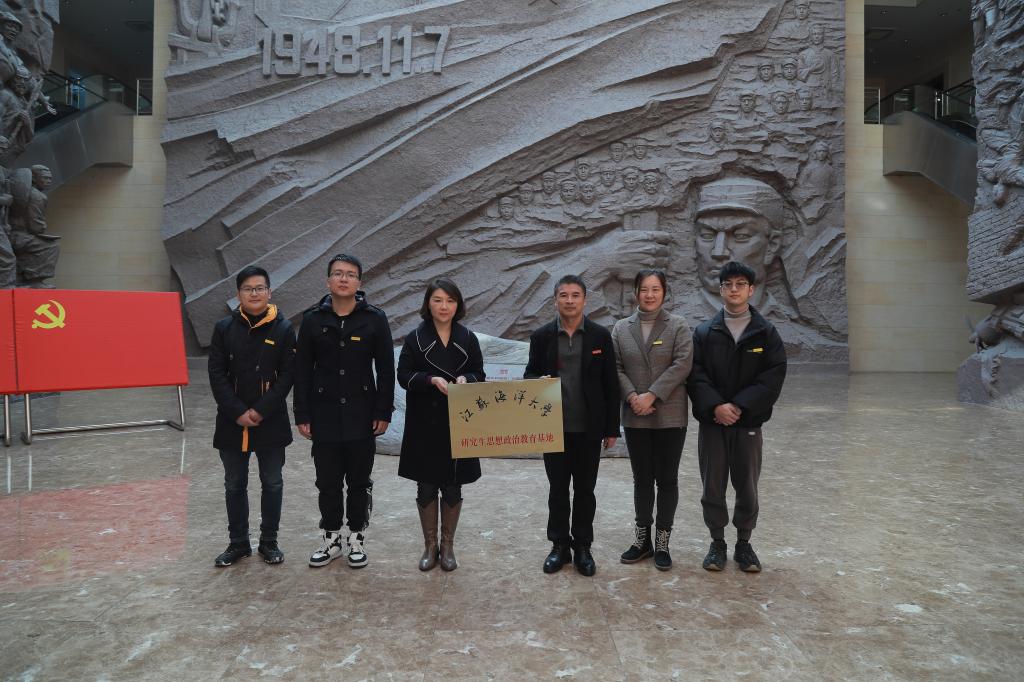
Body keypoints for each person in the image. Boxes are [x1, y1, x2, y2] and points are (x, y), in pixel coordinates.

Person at [294, 254, 395, 568]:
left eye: (350, 274)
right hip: (323, 414)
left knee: (359, 481)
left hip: (361, 413)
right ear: (328, 281)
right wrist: (302, 413)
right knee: (327, 481)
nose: (343, 279)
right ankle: (331, 538)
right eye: (337, 273)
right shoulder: (313, 320)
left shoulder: (374, 319)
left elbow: (386, 369)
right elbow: (302, 371)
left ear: (359, 283)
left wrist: (383, 411)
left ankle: (356, 537)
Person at [687, 260, 787, 573]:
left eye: (740, 284)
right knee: (712, 485)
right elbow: (695, 375)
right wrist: (716, 406)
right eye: (728, 284)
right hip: (713, 423)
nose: (734, 289)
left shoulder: (766, 333)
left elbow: (772, 376)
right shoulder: (704, 332)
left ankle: (744, 543)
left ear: (751, 290)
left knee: (747, 485)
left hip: (748, 424)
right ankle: (717, 543)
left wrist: (740, 406)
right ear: (720, 290)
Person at [525, 275, 620, 577]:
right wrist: (536, 381)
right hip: (553, 428)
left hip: (589, 428)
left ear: (584, 300)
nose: (569, 300)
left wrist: (611, 428)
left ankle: (582, 547)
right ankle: (559, 546)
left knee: (585, 490)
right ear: (555, 300)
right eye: (563, 295)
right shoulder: (541, 336)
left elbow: (610, 383)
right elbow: (529, 376)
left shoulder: (600, 336)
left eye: (575, 295)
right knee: (557, 490)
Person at [208, 265, 296, 567]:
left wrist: (259, 410)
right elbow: (216, 374)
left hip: (270, 421)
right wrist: (237, 412)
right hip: (231, 422)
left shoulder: (283, 329)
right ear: (238, 294)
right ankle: (238, 543)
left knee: (272, 483)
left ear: (269, 292)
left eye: (259, 288)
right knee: (234, 484)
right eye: (248, 289)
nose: (254, 293)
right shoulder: (224, 328)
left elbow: (288, 376)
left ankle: (269, 542)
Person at [397, 279, 485, 571]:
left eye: (450, 300)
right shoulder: (415, 338)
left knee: (452, 485)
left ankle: (447, 546)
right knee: (425, 485)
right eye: (437, 300)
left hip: (458, 420)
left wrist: (466, 379)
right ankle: (430, 545)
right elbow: (403, 375)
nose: (444, 306)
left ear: (458, 304)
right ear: (428, 304)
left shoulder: (468, 338)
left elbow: (479, 373)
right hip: (424, 421)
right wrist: (430, 379)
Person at [611, 269, 693, 571]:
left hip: (670, 414)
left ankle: (662, 542)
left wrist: (653, 395)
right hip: (635, 415)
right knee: (642, 479)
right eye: (644, 289)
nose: (649, 294)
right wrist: (633, 396)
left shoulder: (678, 325)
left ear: (664, 292)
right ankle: (642, 540)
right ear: (636, 293)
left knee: (667, 480)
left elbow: (682, 364)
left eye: (655, 289)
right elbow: (615, 367)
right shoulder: (621, 328)